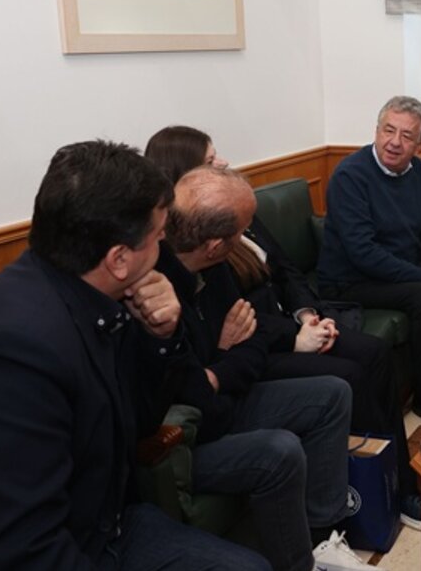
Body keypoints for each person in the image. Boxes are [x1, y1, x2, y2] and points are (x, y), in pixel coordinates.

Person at [0, 141, 269, 570]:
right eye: (158, 237)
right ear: (119, 259)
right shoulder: (10, 354)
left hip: (102, 523)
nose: (164, 248)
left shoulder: (89, 297)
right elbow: (22, 550)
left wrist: (161, 336)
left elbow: (140, 424)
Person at [144, 127, 421, 528]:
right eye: (210, 161)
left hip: (273, 333)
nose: (222, 163)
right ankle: (365, 496)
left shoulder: (231, 224)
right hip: (267, 348)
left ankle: (395, 481)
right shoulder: (171, 279)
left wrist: (305, 315)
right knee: (347, 375)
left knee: (373, 353)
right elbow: (206, 380)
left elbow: (283, 274)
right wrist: (282, 340)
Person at [158, 165, 359, 571]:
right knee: (279, 449)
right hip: (189, 438)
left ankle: (323, 538)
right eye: (242, 232)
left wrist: (220, 365)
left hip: (226, 401)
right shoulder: (156, 290)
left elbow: (252, 341)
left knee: (333, 393)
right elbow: (192, 396)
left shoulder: (214, 268)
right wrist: (223, 361)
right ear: (216, 246)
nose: (248, 239)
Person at [318, 96, 421, 428]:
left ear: (419, 145)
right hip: (351, 279)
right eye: (388, 130)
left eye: (406, 136)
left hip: (399, 267)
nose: (394, 142)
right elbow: (362, 252)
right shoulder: (350, 175)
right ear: (376, 131)